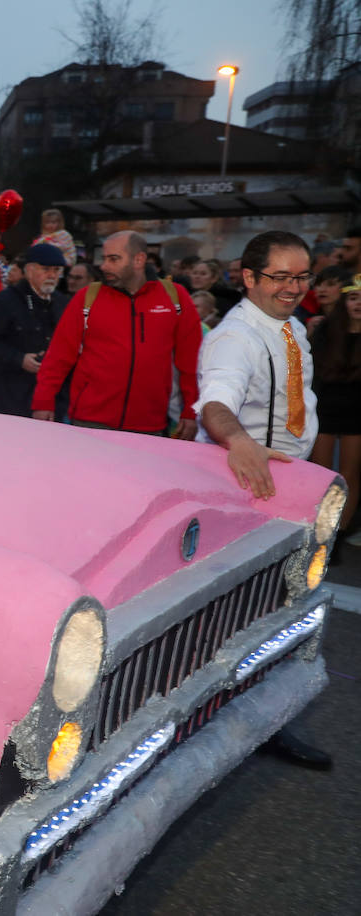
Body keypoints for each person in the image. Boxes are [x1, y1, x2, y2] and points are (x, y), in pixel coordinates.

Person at [195, 230, 331, 769]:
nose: (293, 288)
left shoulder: (292, 326)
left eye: (302, 276)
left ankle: (265, 716)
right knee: (245, 617)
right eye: (279, 277)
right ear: (248, 277)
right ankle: (221, 725)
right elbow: (216, 403)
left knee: (282, 612)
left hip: (291, 485)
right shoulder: (236, 338)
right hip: (252, 490)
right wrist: (239, 440)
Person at [32, 231, 201, 437]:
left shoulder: (175, 297)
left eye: (114, 259)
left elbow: (192, 362)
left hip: (149, 424)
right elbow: (59, 356)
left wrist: (191, 411)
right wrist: (43, 401)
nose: (104, 266)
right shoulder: (87, 298)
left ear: (138, 260)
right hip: (90, 421)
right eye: (104, 259)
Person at [0, 243, 68, 416]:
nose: (52, 275)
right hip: (9, 398)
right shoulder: (5, 301)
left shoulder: (62, 303)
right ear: (29, 270)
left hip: (51, 398)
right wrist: (19, 359)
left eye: (57, 270)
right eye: (46, 269)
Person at [308, 272, 361, 542]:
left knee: (350, 475)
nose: (358, 304)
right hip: (325, 409)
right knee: (322, 474)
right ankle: (319, 529)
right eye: (353, 297)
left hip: (357, 414)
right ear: (345, 301)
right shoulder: (327, 330)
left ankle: (338, 534)